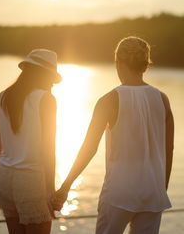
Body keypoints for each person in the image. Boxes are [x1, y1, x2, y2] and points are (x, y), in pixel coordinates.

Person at [53, 36, 174, 234]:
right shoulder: (162, 99)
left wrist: (65, 187)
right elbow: (169, 149)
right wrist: (161, 187)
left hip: (120, 192)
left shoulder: (109, 100)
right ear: (145, 65)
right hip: (153, 192)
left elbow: (89, 148)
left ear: (118, 62)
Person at [0, 49, 62, 234]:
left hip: (5, 177)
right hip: (32, 179)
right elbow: (48, 149)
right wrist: (50, 190)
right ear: (44, 74)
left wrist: (9, 166)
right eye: (51, 79)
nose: (52, 85)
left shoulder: (3, 96)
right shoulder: (46, 99)